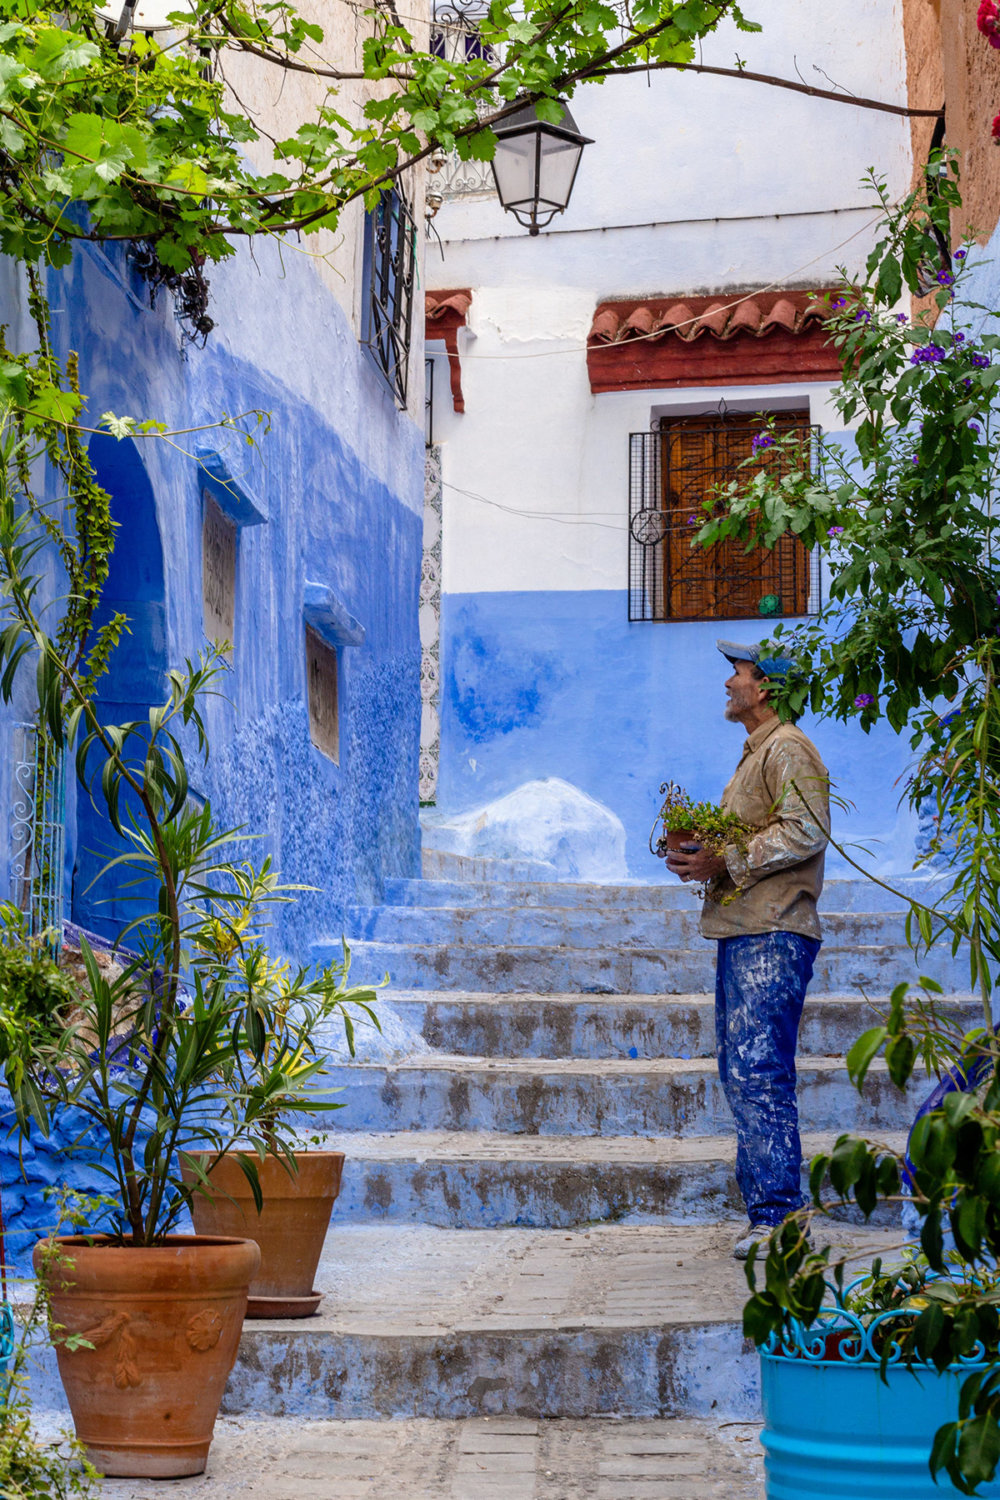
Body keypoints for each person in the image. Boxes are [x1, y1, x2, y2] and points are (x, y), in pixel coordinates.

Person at [666, 639, 830, 1259]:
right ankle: (770, 1212)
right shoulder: (756, 754)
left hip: (774, 933)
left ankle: (782, 1220)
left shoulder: (787, 747)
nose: (727, 685)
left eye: (735, 675)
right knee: (744, 1071)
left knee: (759, 1071)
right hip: (747, 930)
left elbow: (807, 829)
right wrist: (702, 858)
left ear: (765, 687)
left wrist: (725, 857)